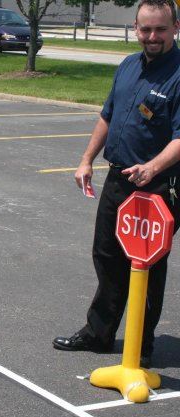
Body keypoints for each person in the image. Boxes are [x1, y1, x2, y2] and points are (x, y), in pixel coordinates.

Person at [53, 0, 180, 368]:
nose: (152, 37)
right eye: (145, 29)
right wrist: (86, 159)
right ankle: (98, 334)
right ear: (136, 28)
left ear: (175, 27)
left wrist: (152, 167)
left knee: (148, 267)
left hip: (159, 187)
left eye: (159, 29)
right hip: (119, 178)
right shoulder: (127, 66)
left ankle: (140, 345)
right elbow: (107, 116)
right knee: (107, 255)